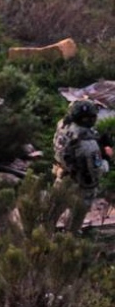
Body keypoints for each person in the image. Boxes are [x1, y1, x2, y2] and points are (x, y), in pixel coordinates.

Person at [53, 99, 112, 234]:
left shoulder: (62, 126)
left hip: (62, 174)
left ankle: (43, 233)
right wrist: (106, 158)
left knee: (54, 209)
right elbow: (97, 170)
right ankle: (69, 239)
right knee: (76, 216)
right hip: (81, 184)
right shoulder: (89, 145)